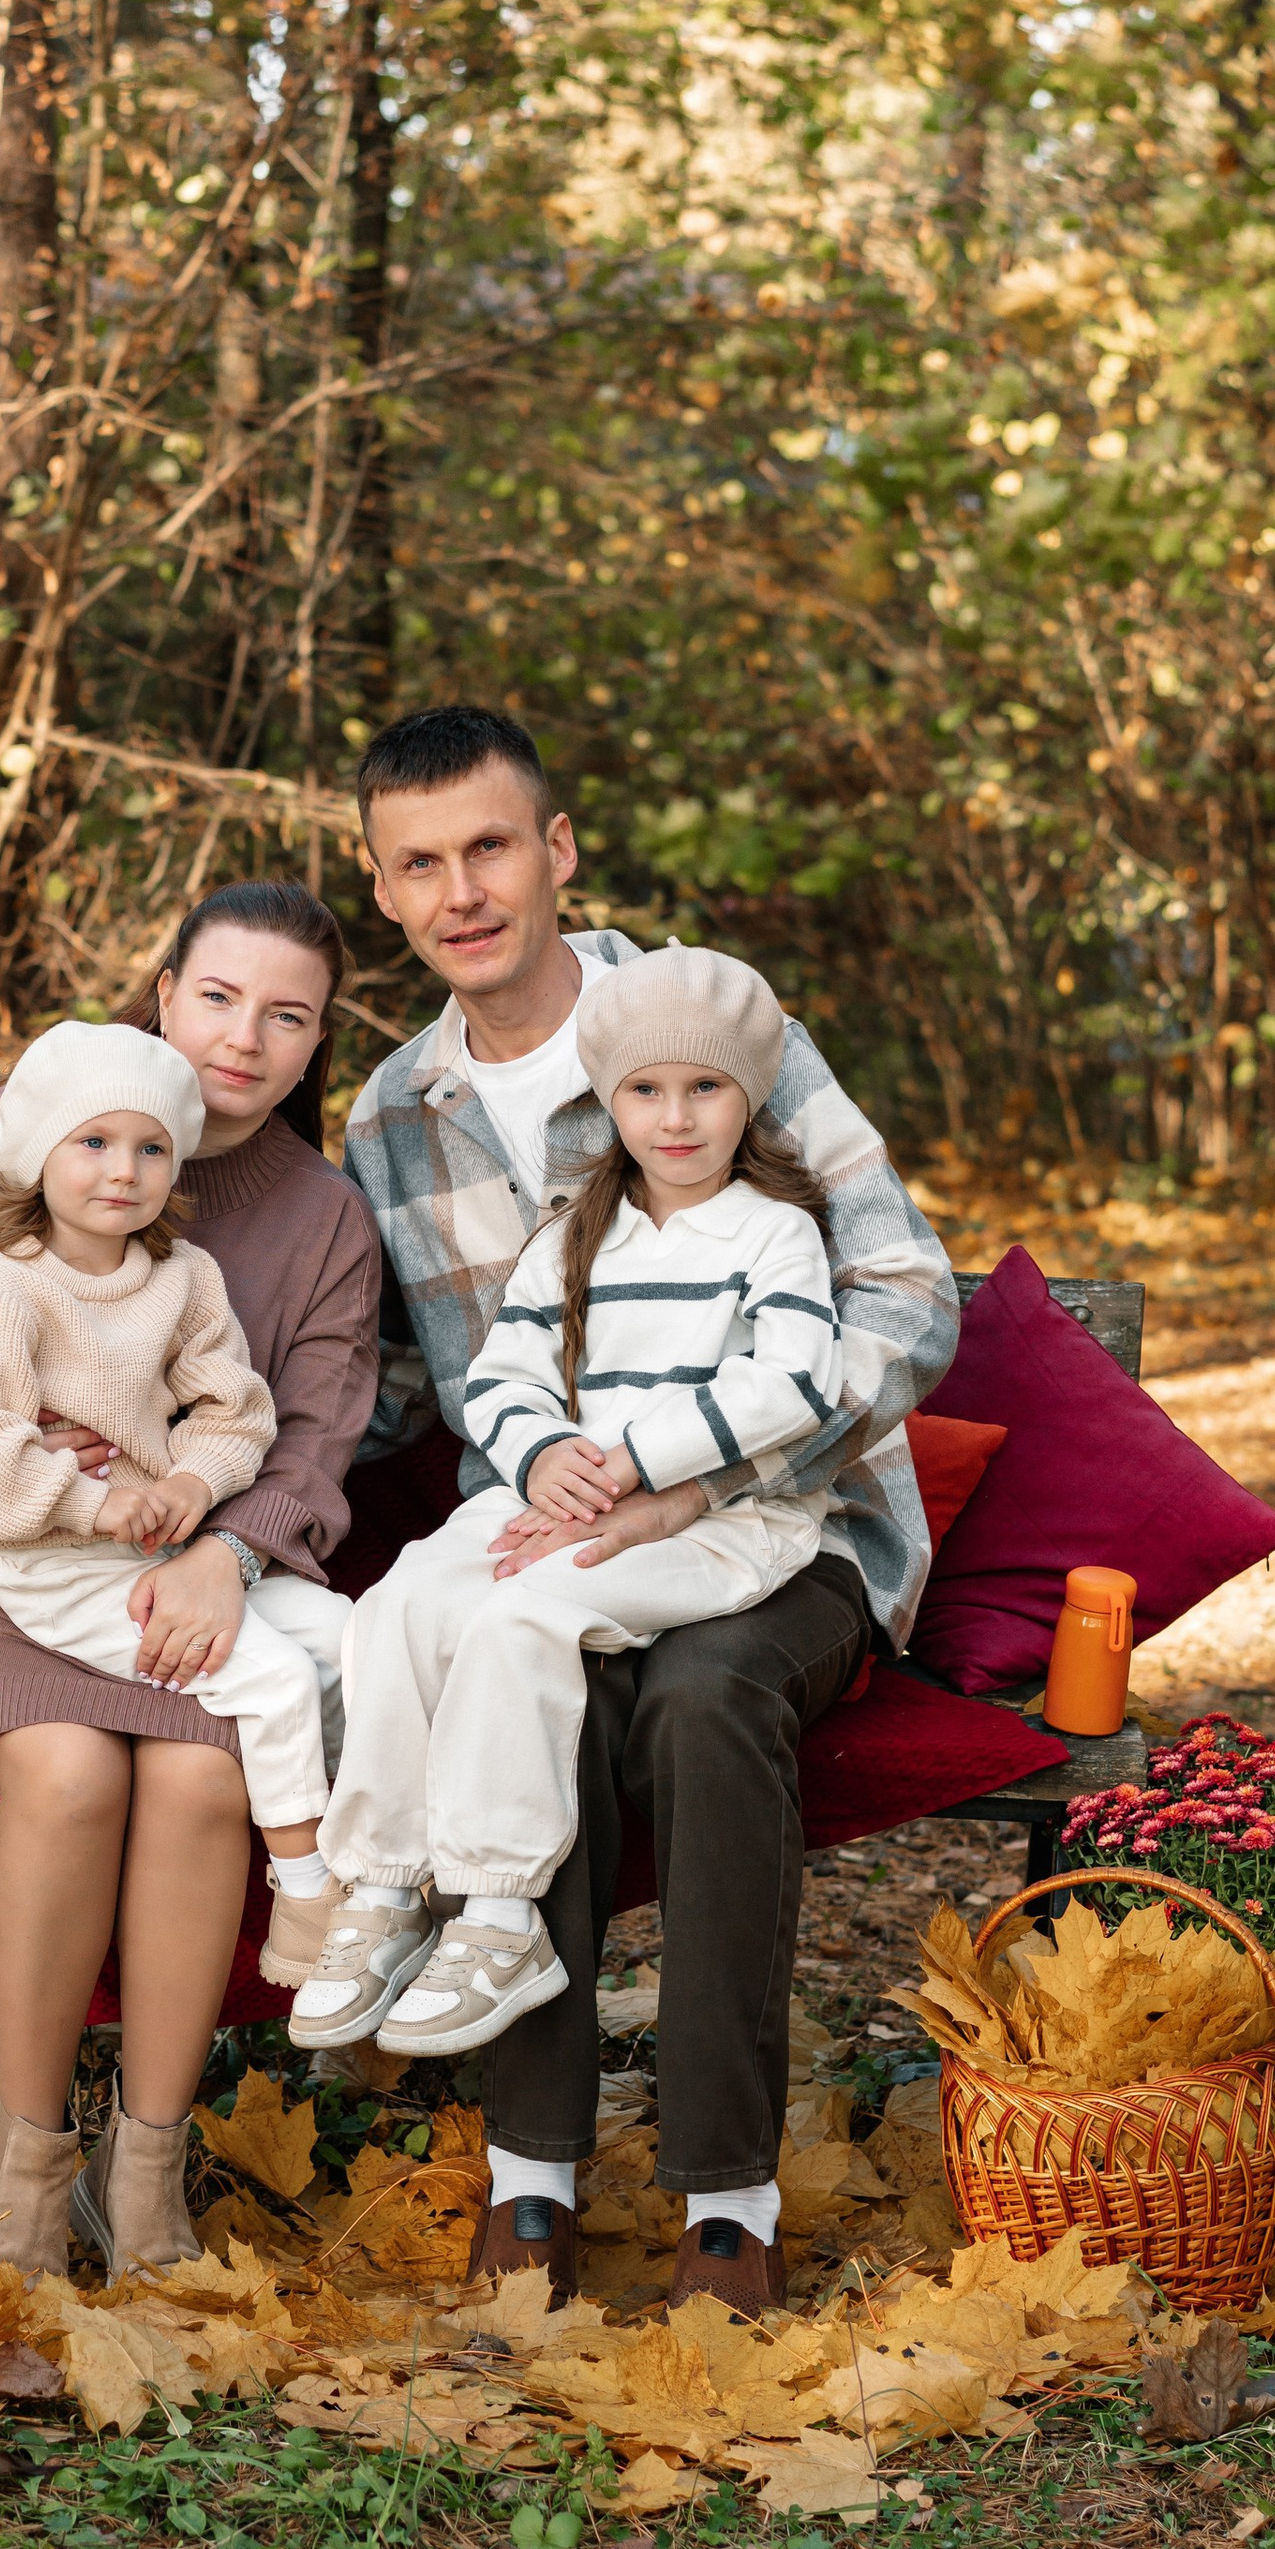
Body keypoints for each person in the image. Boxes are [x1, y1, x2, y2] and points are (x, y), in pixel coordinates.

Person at [339, 705, 958, 2317]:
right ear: (384, 886)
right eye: (421, 863)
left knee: (697, 1697)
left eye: (489, 846)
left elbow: (903, 1298)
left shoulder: (709, 1025)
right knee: (517, 1655)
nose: (461, 889)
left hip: (783, 1534)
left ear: (554, 850)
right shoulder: (391, 1118)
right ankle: (530, 2176)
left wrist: (701, 1476)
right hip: (566, 1548)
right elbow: (413, 1384)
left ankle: (723, 2197)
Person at [0, 882, 379, 2282]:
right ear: (162, 989)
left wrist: (224, 1549)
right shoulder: (48, 1109)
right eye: (216, 996)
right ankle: (23, 2167)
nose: (242, 1039)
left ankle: (144, 2170)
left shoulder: (322, 1219)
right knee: (73, 1775)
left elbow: (313, 1440)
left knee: (204, 1776)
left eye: (287, 1015)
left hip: (195, 1574)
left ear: (320, 1045)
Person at [296, 949, 841, 2100]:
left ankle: (499, 1916)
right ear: (610, 1101)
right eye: (646, 1091)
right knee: (401, 1601)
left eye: (706, 1089)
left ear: (750, 1099)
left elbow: (790, 1385)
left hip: (717, 1518)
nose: (676, 1117)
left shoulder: (772, 1233)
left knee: (517, 1622)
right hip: (564, 1492)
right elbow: (502, 1374)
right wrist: (545, 1455)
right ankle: (386, 1885)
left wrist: (632, 1464)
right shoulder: (574, 1232)